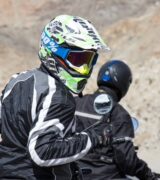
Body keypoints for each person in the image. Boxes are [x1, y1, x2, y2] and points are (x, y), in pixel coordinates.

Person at [0, 14, 110, 180]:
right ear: (54, 51)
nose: (84, 68)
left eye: (89, 60)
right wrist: (92, 138)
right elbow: (41, 151)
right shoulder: (59, 96)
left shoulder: (18, 80)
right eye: (78, 59)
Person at [74, 60, 160, 180]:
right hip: (107, 176)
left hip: (73, 173)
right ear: (124, 83)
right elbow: (127, 161)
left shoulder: (76, 103)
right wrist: (148, 175)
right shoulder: (118, 114)